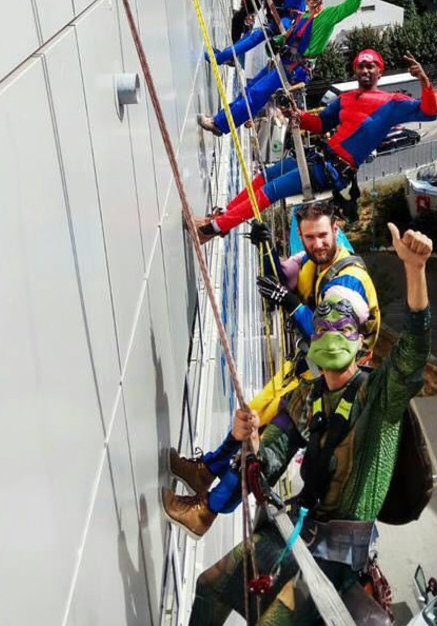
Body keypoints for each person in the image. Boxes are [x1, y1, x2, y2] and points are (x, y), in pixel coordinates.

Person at [169, 222, 433, 625]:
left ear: (361, 338)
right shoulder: (306, 396)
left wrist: (415, 271)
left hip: (339, 556)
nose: (330, 332)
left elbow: (413, 354)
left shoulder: (378, 398)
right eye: (323, 323)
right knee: (210, 587)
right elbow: (272, 454)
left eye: (342, 325)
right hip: (297, 529)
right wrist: (251, 442)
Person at [163, 203, 381, 535]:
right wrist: (267, 251)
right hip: (310, 372)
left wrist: (290, 302)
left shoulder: (347, 283)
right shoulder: (318, 260)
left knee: (266, 447)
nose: (316, 243)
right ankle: (207, 469)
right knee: (253, 415)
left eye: (322, 235)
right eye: (309, 237)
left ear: (336, 230)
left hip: (334, 389)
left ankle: (206, 511)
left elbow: (330, 342)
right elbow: (280, 280)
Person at [195, 49, 437, 240]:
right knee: (262, 178)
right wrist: (297, 115)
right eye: (361, 66)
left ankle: (213, 228)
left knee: (270, 191)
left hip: (332, 170)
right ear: (355, 71)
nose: (365, 70)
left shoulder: (393, 103)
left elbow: (429, 113)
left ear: (379, 72)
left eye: (371, 66)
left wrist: (424, 80)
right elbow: (321, 124)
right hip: (320, 158)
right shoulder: (344, 100)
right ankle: (221, 218)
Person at [197, 0, 362, 136]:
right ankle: (219, 120)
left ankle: (219, 124)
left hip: (294, 69)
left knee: (256, 94)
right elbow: (288, 37)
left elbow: (346, 8)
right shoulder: (303, 16)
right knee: (249, 90)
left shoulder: (327, 17)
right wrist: (277, 41)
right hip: (283, 62)